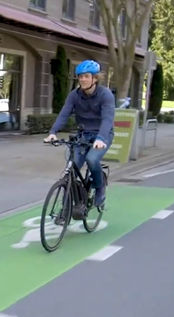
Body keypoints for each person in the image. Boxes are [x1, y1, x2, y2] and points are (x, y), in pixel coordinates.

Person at [44, 60, 115, 207]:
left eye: (86, 76)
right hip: (83, 134)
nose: (82, 79)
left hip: (102, 135)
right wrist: (53, 132)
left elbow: (108, 119)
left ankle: (99, 187)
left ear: (95, 78)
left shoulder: (105, 94)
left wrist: (101, 138)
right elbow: (64, 114)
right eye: (80, 76)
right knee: (72, 167)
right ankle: (67, 206)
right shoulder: (74, 95)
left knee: (92, 159)